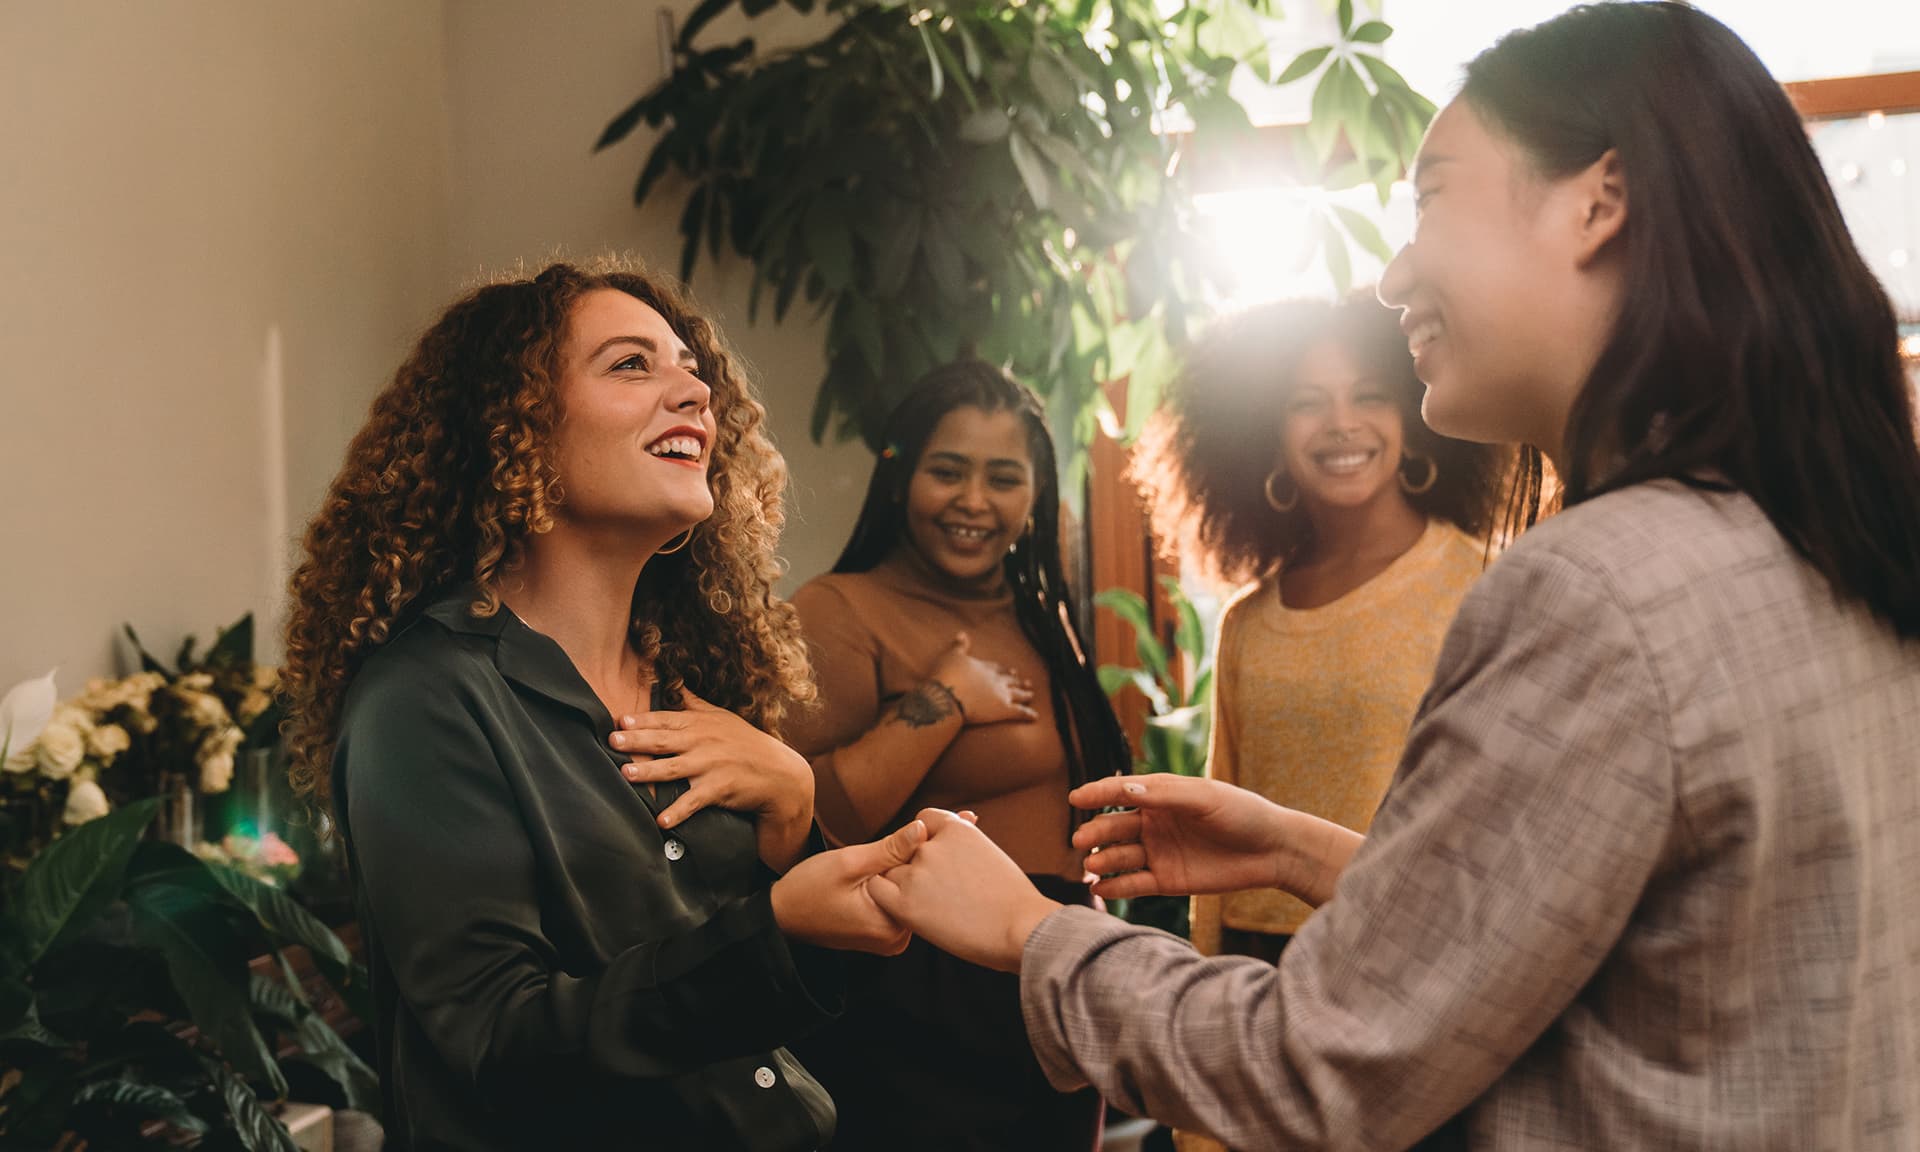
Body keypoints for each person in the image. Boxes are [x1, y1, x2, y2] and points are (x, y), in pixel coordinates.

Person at [867, 4, 1920, 1148]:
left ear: (1598, 202)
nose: (1391, 275)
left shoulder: (1593, 591)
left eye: (1432, 198)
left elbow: (1320, 1069)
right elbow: (1631, 961)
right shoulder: (1819, 539)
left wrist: (1028, 931)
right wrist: (1297, 847)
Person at [281, 260, 927, 1151]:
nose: (695, 391)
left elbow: (795, 1019)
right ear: (515, 426)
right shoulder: (424, 701)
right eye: (631, 365)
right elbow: (499, 1044)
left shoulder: (692, 684)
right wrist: (773, 931)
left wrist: (793, 814)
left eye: (691, 370)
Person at [750, 360, 1128, 1150]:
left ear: (1036, 494)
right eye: (948, 471)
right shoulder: (839, 608)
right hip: (917, 995)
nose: (974, 501)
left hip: (1052, 972)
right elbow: (805, 821)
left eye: (1004, 478)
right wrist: (944, 699)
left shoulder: (1042, 615)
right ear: (900, 477)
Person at [1129, 293, 1508, 977]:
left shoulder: (1483, 583)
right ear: (1265, 433)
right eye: (1308, 403)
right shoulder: (1249, 623)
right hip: (1260, 962)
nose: (1341, 424)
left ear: (1412, 415)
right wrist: (1209, 971)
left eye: (1369, 396)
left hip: (1415, 954)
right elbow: (1222, 823)